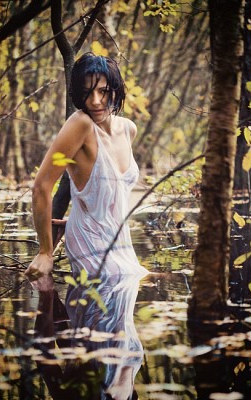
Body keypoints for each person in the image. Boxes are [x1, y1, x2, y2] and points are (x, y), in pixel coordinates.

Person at [25, 52, 148, 280]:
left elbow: (113, 194)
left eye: (103, 91)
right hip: (89, 243)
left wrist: (86, 214)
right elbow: (41, 186)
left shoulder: (128, 129)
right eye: (87, 92)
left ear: (116, 89)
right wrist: (45, 251)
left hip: (120, 242)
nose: (95, 101)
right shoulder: (80, 124)